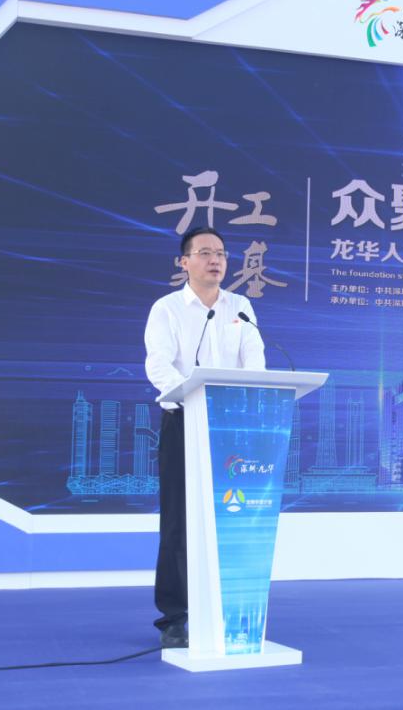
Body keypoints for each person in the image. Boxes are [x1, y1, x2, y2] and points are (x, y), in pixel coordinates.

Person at [144, 226, 266, 648]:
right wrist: (193, 398)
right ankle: (176, 617)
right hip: (184, 420)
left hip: (232, 425)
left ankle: (228, 609)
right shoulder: (167, 309)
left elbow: (255, 358)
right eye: (205, 253)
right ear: (184, 262)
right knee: (179, 522)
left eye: (221, 253)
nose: (215, 260)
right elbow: (158, 365)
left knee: (232, 517)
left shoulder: (240, 307)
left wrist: (247, 398)